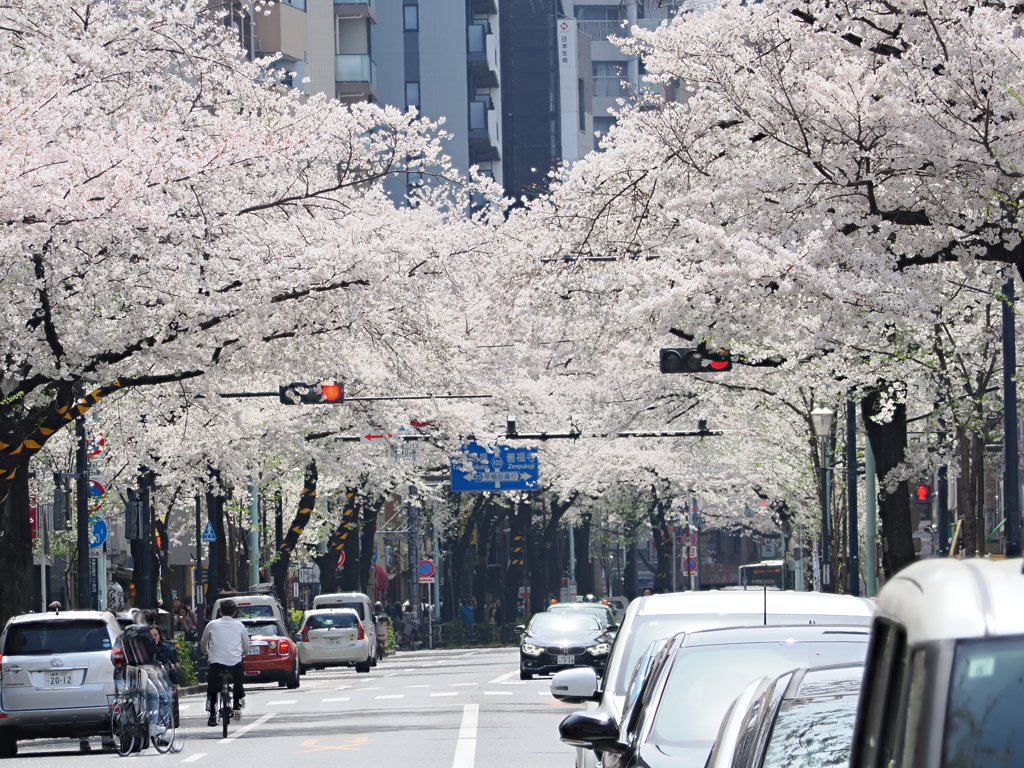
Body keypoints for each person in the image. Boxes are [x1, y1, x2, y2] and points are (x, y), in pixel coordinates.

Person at [200, 599, 250, 728]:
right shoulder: (239, 625)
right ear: (234, 613)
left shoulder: (212, 625)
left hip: (216, 661)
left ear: (220, 612)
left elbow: (203, 643)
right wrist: (242, 654)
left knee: (212, 687)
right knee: (239, 678)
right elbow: (246, 646)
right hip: (234, 661)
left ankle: (212, 714)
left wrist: (207, 653)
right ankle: (237, 700)